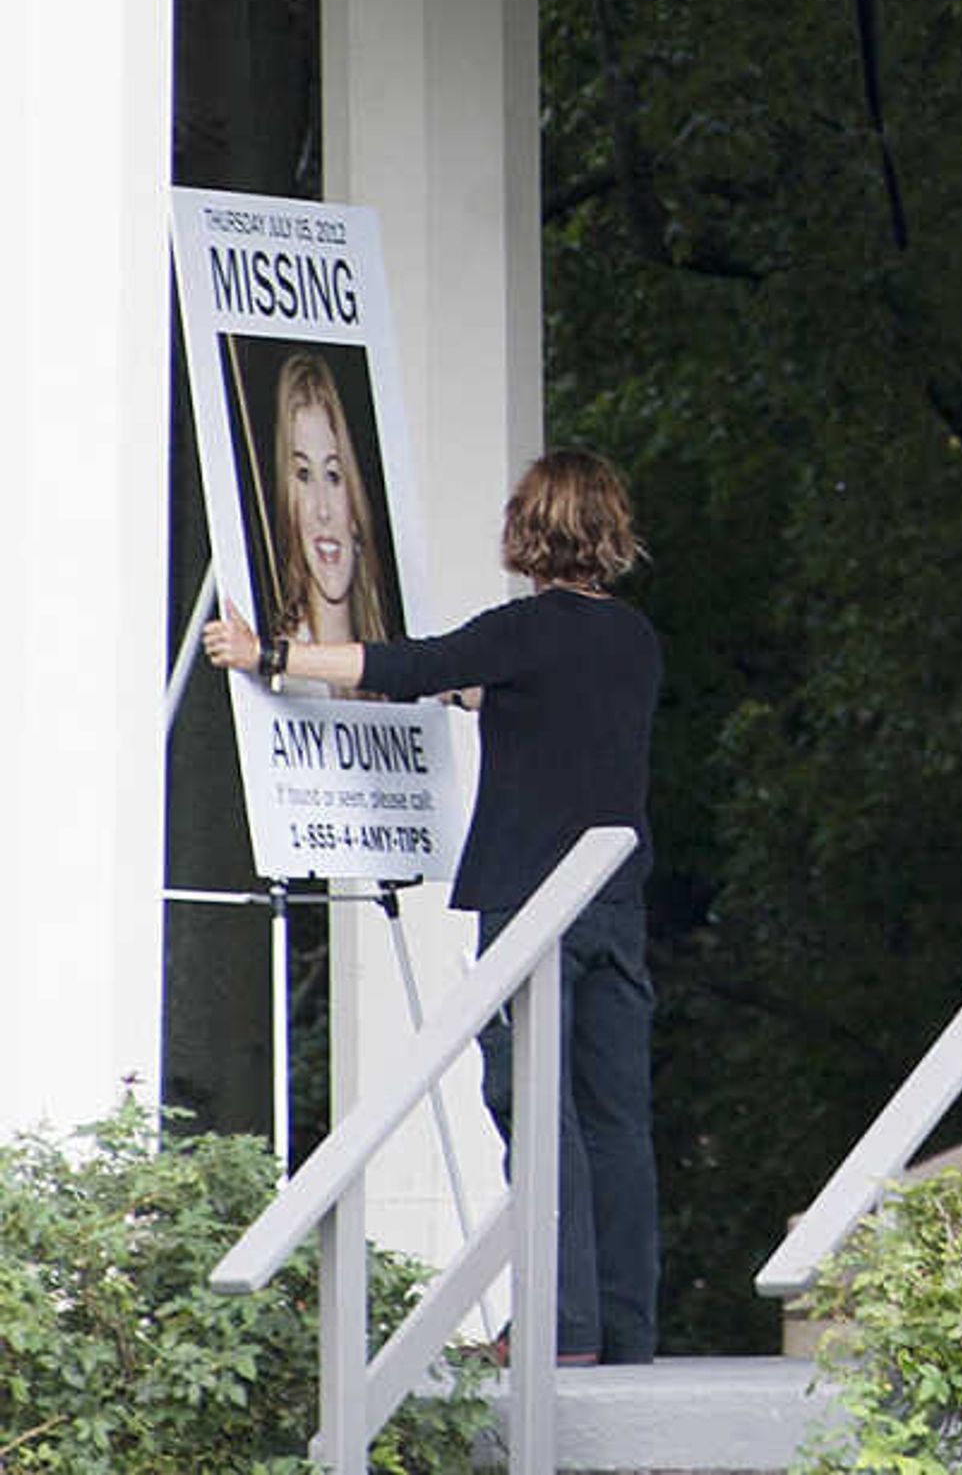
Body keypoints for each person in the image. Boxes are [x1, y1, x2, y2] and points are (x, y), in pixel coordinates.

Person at [207, 448, 662, 1367]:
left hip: (534, 908)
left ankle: (558, 1329)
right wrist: (480, 697)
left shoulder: (529, 630)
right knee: (614, 1117)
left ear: (531, 532)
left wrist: (273, 655)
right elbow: (539, 710)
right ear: (608, 532)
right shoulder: (633, 639)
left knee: (534, 1109)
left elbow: (413, 663)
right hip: (616, 905)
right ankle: (622, 1327)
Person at [262, 351, 397, 659]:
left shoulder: (394, 674)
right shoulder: (284, 676)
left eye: (334, 476)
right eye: (304, 476)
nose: (322, 510)